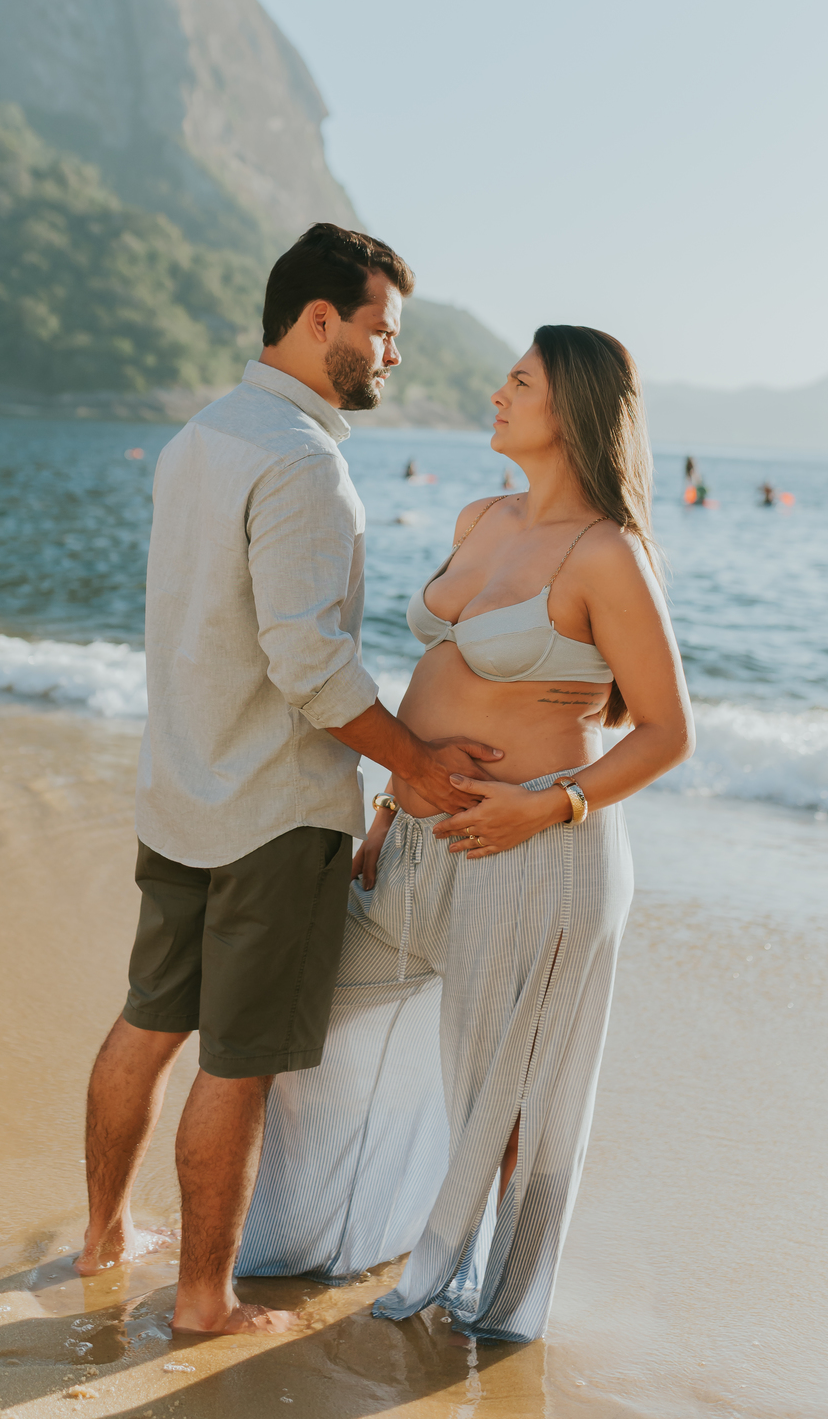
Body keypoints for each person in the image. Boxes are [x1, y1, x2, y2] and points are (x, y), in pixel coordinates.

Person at [78, 223, 503, 1335]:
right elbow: (308, 659)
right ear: (321, 322)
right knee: (242, 1063)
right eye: (383, 331)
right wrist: (410, 763)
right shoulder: (303, 461)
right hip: (270, 816)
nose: (392, 356)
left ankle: (101, 1238)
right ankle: (205, 1302)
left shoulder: (198, 439)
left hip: (178, 789)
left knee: (147, 1021)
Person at [240, 325, 694, 1342]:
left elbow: (668, 730)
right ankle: (307, 1239)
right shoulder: (480, 515)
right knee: (309, 1023)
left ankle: (477, 1302)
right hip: (416, 838)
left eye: (519, 382)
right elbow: (431, 684)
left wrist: (551, 803)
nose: (497, 392)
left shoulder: (609, 555)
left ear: (570, 411)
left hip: (535, 851)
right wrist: (394, 798)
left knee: (504, 1096)